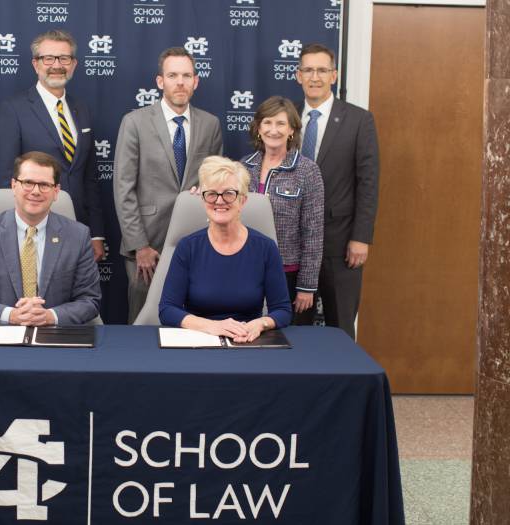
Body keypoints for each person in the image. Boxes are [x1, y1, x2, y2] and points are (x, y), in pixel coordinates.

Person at [114, 46, 223, 323]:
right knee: (142, 319)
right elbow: (123, 188)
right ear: (160, 81)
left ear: (196, 82)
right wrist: (140, 245)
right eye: (173, 75)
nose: (180, 82)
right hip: (147, 242)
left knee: (193, 318)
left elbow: (217, 182)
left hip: (196, 240)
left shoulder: (210, 124)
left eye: (187, 75)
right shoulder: (135, 122)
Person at [0, 29, 105, 262]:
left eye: (64, 58)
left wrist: (96, 233)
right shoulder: (13, 110)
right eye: (48, 58)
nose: (57, 65)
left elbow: (89, 178)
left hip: (78, 228)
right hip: (33, 229)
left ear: (73, 64)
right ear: (36, 64)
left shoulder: (81, 110)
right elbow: (5, 179)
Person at [0, 151, 101, 325]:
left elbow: (89, 300)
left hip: (54, 336)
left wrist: (49, 316)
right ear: (13, 185)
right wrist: (12, 315)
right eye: (27, 183)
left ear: (56, 191)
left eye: (44, 185)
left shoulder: (78, 236)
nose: (35, 191)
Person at [296, 43, 379, 339]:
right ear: (298, 75)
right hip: (294, 248)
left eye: (322, 70)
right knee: (294, 334)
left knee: (341, 330)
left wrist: (361, 238)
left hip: (341, 245)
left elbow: (368, 183)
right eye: (308, 70)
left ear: (334, 75)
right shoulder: (286, 118)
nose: (314, 77)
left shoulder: (359, 120)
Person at [159, 156, 292, 343]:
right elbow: (167, 310)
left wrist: (261, 323)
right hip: (200, 342)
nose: (219, 201)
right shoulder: (187, 247)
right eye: (211, 193)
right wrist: (212, 326)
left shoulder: (266, 248)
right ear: (203, 200)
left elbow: (282, 311)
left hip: (247, 340)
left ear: (243, 200)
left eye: (229, 193)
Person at [241, 96, 324, 324]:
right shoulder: (242, 167)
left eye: (280, 124)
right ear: (258, 128)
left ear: (291, 130)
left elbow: (314, 233)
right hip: (246, 270)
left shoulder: (308, 171)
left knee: (288, 342)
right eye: (267, 123)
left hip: (287, 273)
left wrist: (306, 287)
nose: (273, 130)